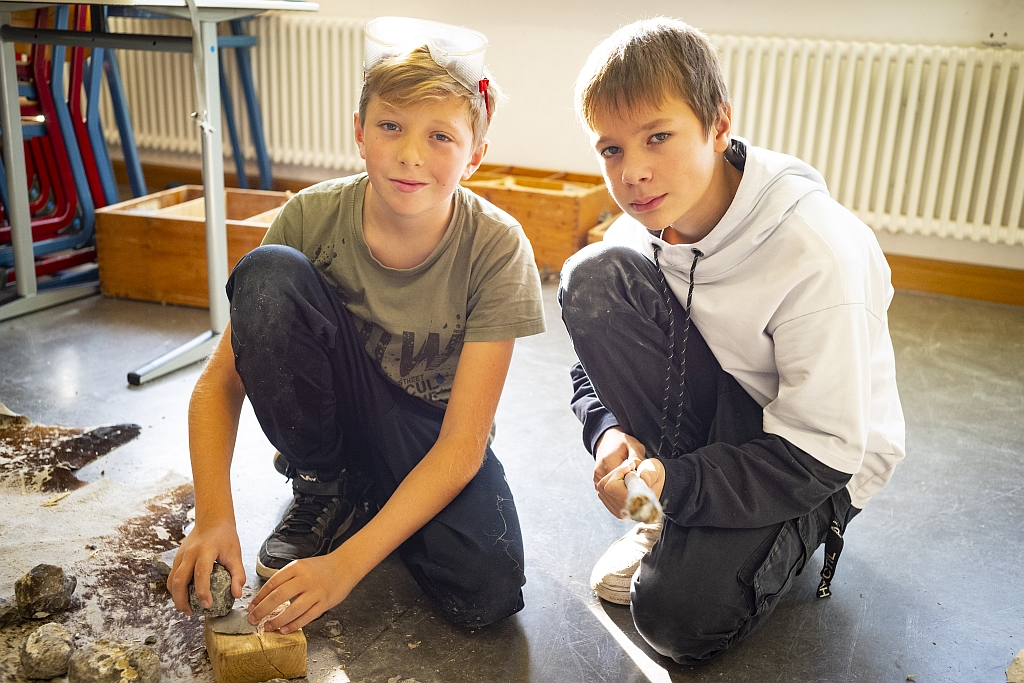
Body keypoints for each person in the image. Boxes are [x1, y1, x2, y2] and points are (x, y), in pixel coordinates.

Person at [167, 17, 545, 635]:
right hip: (332, 419)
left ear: (475, 154)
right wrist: (212, 516)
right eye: (390, 126)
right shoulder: (310, 217)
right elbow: (218, 385)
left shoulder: (496, 247)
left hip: (427, 434)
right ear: (359, 132)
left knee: (487, 590)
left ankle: (373, 501)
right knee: (267, 274)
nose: (409, 154)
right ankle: (325, 484)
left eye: (441, 137)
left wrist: (344, 566)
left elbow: (462, 448)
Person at [559, 17, 905, 663]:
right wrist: (611, 435)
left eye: (657, 137)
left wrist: (673, 481)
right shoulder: (641, 227)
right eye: (610, 149)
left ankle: (703, 526)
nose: (632, 171)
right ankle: (671, 517)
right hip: (723, 414)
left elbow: (823, 451)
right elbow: (590, 373)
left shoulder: (816, 251)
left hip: (814, 461)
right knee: (592, 277)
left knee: (673, 619)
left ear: (719, 125)